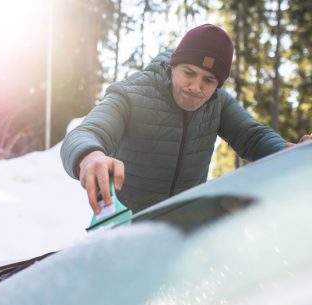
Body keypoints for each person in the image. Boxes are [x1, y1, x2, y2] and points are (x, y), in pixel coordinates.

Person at [60, 24, 312, 214]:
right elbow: (87, 132)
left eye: (208, 80)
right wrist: (90, 156)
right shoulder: (132, 93)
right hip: (128, 226)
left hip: (183, 225)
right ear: (173, 66)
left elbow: (253, 136)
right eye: (189, 73)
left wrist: (287, 153)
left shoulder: (218, 103)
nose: (196, 87)